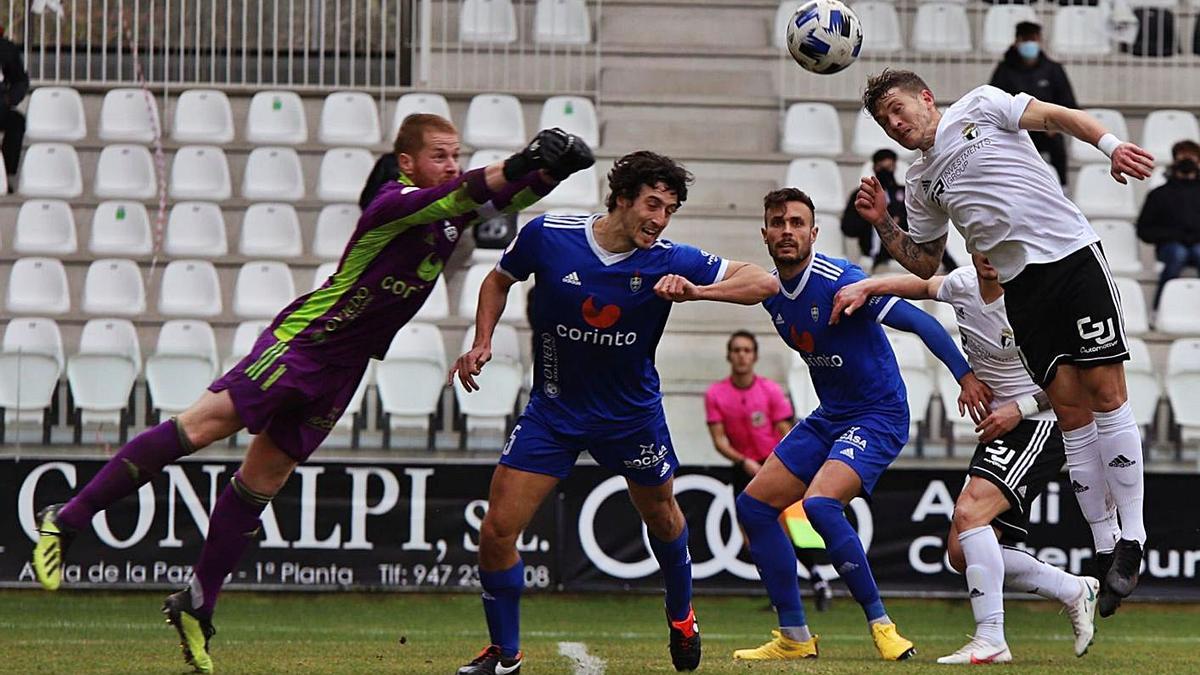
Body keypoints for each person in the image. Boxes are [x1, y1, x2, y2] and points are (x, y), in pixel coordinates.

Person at [30, 116, 593, 674]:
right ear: (407, 162)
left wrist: (553, 172)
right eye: (440, 154)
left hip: (343, 367)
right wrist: (523, 159)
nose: (450, 164)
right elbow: (468, 190)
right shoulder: (392, 204)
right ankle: (67, 518)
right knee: (198, 429)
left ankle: (197, 605)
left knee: (261, 484)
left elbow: (500, 202)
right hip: (306, 342)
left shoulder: (446, 219)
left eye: (455, 154)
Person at [449, 150, 778, 675]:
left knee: (663, 518)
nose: (660, 219)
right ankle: (504, 653)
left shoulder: (670, 259)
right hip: (553, 411)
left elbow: (763, 282)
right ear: (622, 198)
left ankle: (681, 614)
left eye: (670, 209)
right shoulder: (549, 235)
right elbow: (497, 280)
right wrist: (482, 341)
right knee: (497, 531)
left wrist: (697, 291)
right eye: (652, 204)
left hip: (631, 417)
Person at [855, 69, 1154, 617]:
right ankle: (1105, 547)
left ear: (926, 98)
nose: (895, 124)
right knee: (1070, 414)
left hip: (1070, 258)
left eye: (899, 109)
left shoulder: (981, 104)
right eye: (884, 121)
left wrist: (1109, 146)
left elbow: (1057, 117)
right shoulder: (920, 183)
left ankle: (1132, 538)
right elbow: (925, 260)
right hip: (1023, 290)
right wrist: (882, 223)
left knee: (1107, 395)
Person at [732, 187, 986, 662]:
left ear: (813, 232)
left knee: (821, 506)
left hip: (879, 414)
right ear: (764, 232)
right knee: (753, 508)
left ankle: (883, 626)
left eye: (796, 222)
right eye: (778, 222)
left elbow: (921, 322)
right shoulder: (772, 294)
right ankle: (793, 636)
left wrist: (966, 376)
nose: (787, 231)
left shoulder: (839, 280)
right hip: (831, 416)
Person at [833, 254, 1103, 664]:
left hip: (1041, 422)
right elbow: (921, 286)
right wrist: (867, 285)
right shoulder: (962, 284)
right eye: (982, 247)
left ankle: (991, 638)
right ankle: (1072, 589)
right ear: (974, 249)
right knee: (962, 552)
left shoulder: (1035, 299)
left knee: (971, 511)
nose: (991, 258)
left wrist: (1021, 408)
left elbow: (1081, 380)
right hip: (1002, 427)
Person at [704, 330, 833, 611]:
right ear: (729, 356)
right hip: (743, 466)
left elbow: (787, 431)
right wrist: (742, 461)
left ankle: (814, 580)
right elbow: (719, 440)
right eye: (736, 350)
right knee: (751, 538)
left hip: (775, 464)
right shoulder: (716, 394)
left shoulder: (770, 391)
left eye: (746, 350)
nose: (741, 356)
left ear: (755, 356)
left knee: (791, 528)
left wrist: (783, 461)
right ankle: (785, 591)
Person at [989, 21, 1078, 186]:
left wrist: (1056, 125)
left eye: (1034, 39)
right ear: (1017, 42)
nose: (1030, 44)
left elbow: (1069, 104)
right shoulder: (1004, 71)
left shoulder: (1053, 70)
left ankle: (1062, 189)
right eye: (1026, 39)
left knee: (1057, 147)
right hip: (1015, 132)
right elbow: (993, 104)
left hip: (1047, 132)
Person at [840, 149, 957, 273]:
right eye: (881, 167)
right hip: (872, 252)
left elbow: (920, 225)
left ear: (895, 167)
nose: (885, 172)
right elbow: (848, 229)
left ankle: (950, 266)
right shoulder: (863, 195)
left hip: (904, 251)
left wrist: (896, 219)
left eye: (889, 167)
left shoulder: (906, 193)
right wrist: (873, 219)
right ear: (874, 167)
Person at [1136, 139, 1200, 309]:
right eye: (1182, 157)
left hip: (1197, 246)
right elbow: (1144, 230)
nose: (1187, 161)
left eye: (1191, 158)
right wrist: (1174, 236)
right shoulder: (1159, 194)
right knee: (1178, 254)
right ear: (1174, 161)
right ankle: (1160, 308)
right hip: (1170, 247)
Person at [0, 25, 29, 187]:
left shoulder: (6, 49)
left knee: (17, 122)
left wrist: (9, 99)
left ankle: (5, 173)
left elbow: (20, 81)